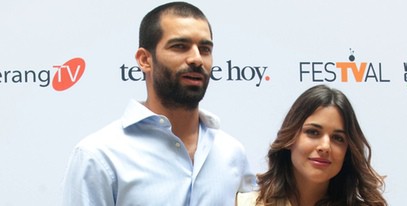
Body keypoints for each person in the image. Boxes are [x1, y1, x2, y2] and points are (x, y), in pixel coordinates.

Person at [62, 2, 255, 205]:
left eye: (205, 49)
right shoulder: (99, 155)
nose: (197, 59)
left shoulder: (231, 152)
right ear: (145, 59)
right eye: (180, 46)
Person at [237, 85, 387, 206]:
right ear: (290, 138)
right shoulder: (245, 204)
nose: (325, 146)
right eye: (313, 132)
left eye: (338, 138)